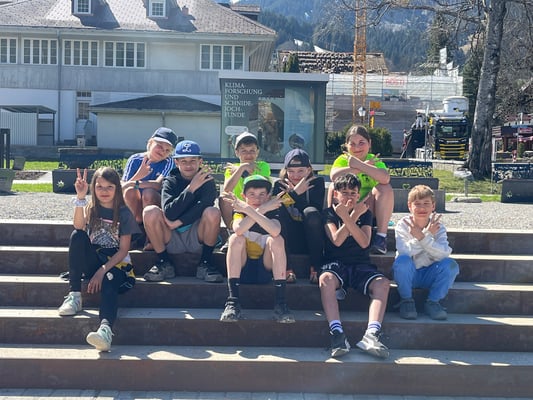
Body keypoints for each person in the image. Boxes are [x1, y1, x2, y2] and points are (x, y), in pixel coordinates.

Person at [58, 167, 139, 352]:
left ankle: (105, 330)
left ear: (117, 188)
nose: (104, 191)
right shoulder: (91, 208)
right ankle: (75, 295)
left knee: (109, 281)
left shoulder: (124, 213)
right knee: (77, 236)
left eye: (109, 187)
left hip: (116, 263)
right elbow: (78, 226)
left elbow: (124, 250)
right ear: (93, 188)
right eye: (99, 186)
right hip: (95, 258)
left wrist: (102, 271)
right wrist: (80, 197)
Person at [319, 173, 390, 359]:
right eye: (344, 193)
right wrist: (348, 216)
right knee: (325, 280)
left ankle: (372, 334)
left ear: (359, 195)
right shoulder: (329, 213)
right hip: (336, 263)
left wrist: (353, 215)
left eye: (353, 193)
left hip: (360, 263)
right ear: (335, 194)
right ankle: (337, 333)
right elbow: (337, 240)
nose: (349, 197)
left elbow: (364, 242)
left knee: (383, 283)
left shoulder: (365, 213)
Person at [142, 140, 223, 283]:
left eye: (193, 160)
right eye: (183, 161)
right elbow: (169, 212)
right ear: (176, 162)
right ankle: (164, 262)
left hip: (197, 235)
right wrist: (191, 188)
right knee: (150, 212)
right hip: (171, 236)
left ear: (200, 161)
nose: (188, 165)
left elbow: (204, 205)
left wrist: (179, 222)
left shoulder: (208, 181)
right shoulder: (170, 181)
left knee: (213, 212)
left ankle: (205, 263)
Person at [219, 175, 295, 324]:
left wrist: (256, 210)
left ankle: (281, 303)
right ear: (244, 196)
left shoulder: (274, 212)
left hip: (265, 269)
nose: (257, 199)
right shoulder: (239, 212)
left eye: (262, 194)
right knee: (235, 238)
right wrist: (261, 209)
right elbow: (239, 229)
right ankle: (232, 302)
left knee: (277, 240)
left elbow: (275, 230)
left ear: (268, 196)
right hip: (242, 268)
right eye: (252, 194)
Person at [392, 185, 459, 320]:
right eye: (417, 204)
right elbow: (404, 251)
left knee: (451, 265)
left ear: (433, 206)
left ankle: (433, 302)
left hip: (430, 273)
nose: (422, 208)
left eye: (426, 203)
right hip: (409, 274)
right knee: (402, 262)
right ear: (409, 206)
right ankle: (406, 301)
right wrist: (426, 236)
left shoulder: (438, 227)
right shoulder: (403, 225)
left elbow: (443, 253)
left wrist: (423, 238)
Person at [329, 125, 394, 254]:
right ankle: (332, 225)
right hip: (345, 209)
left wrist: (359, 165)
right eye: (352, 144)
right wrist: (361, 167)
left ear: (369, 143)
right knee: (333, 186)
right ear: (346, 145)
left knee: (385, 188)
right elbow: (334, 176)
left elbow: (385, 178)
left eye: (361, 143)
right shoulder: (342, 160)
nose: (357, 148)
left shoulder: (374, 159)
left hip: (367, 209)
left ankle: (381, 238)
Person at [273, 148, 325, 284]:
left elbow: (316, 212)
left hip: (310, 237)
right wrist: (295, 193)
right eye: (291, 171)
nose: (295, 175)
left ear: (308, 170)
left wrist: (295, 195)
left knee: (311, 213)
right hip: (288, 237)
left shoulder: (317, 183)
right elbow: (275, 208)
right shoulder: (279, 185)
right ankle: (287, 268)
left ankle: (316, 267)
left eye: (300, 171)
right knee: (278, 212)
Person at [121, 127, 178, 248]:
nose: (163, 151)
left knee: (149, 193)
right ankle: (134, 232)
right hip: (135, 209)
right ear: (150, 142)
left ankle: (151, 236)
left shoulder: (169, 162)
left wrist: (135, 183)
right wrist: (139, 175)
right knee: (130, 191)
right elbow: (122, 187)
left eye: (167, 150)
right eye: (160, 146)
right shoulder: (135, 159)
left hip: (155, 207)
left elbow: (158, 185)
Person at [220, 131, 271, 238]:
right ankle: (231, 232)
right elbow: (227, 189)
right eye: (244, 151)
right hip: (239, 207)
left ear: (257, 152)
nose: (248, 155)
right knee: (224, 197)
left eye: (252, 151)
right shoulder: (232, 168)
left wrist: (242, 170)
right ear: (237, 152)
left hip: (258, 205)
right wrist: (242, 168)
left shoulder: (263, 166)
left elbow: (262, 185)